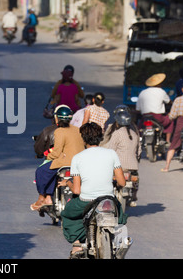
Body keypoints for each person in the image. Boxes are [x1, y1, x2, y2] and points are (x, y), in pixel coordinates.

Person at [59, 122, 127, 256]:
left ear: (83, 139)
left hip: (86, 201)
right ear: (101, 137)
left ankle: (77, 245)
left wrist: (68, 183)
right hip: (108, 199)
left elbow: (77, 191)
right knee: (120, 217)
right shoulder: (111, 154)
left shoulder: (77, 158)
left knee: (67, 214)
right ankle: (119, 243)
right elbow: (122, 182)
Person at [30, 105, 84, 211]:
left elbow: (56, 153)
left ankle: (42, 197)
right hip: (79, 162)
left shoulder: (59, 131)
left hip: (65, 162)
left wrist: (48, 156)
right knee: (51, 171)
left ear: (57, 118)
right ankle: (48, 198)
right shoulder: (77, 130)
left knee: (41, 171)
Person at [101, 105, 141, 206]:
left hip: (119, 166)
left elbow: (110, 150)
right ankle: (133, 198)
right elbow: (139, 151)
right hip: (133, 167)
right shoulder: (134, 133)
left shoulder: (117, 133)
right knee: (136, 181)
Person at [135, 73, 173, 144]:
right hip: (158, 118)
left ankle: (139, 140)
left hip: (145, 117)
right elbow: (168, 101)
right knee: (170, 119)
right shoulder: (161, 91)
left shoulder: (143, 92)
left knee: (139, 128)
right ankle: (168, 140)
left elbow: (138, 109)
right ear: (159, 84)